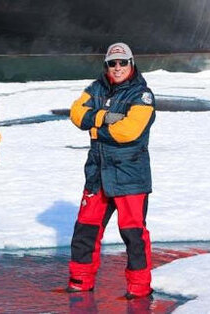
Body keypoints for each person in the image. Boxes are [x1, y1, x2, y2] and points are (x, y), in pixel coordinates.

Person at [66, 42, 157, 299]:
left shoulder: (142, 95)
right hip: (97, 174)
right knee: (85, 230)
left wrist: (94, 127)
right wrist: (103, 118)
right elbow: (76, 114)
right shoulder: (95, 88)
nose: (117, 68)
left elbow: (128, 132)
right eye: (112, 63)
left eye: (122, 62)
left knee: (133, 234)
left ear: (131, 63)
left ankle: (139, 288)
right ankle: (80, 281)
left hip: (130, 176)